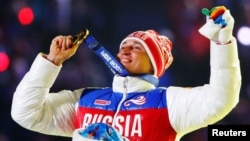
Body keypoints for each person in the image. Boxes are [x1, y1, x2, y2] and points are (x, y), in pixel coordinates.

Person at [11, 6, 241, 141]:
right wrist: (51, 63)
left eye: (136, 47)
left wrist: (222, 43)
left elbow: (220, 99)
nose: (125, 50)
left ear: (153, 64)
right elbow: (25, 113)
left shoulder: (168, 103)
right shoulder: (84, 100)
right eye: (123, 46)